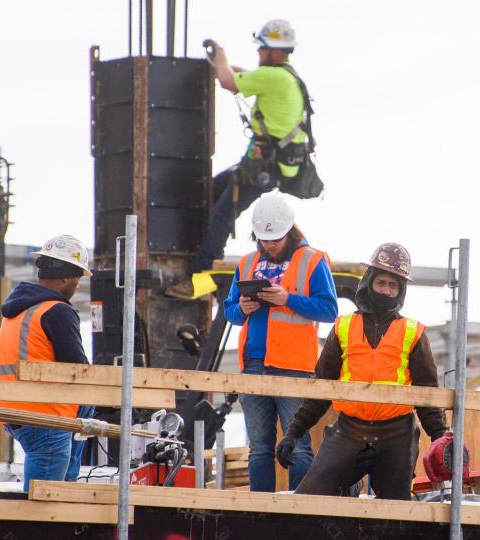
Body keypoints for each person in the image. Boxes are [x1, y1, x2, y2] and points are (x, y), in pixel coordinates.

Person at [276, 243, 449, 500]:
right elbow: (321, 387)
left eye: (394, 286)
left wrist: (440, 440)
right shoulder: (343, 326)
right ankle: (349, 486)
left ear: (401, 291)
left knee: (397, 512)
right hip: (349, 430)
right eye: (382, 283)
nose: (387, 291)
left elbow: (428, 396)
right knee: (310, 500)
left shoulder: (414, 333)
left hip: (397, 433)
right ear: (369, 282)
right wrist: (293, 432)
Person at [166, 19, 313, 300]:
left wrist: (219, 54)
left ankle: (202, 275)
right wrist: (221, 65)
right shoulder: (282, 77)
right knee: (211, 192)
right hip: (263, 165)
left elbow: (228, 81)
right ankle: (208, 258)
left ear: (274, 51)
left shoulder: (274, 77)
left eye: (262, 49)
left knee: (222, 213)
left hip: (263, 167)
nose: (258, 54)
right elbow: (238, 78)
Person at [224, 194, 338, 491]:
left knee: (299, 448)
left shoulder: (313, 260)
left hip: (294, 369)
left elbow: (329, 310)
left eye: (275, 238)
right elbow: (230, 311)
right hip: (253, 366)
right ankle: (259, 515)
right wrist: (242, 310)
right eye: (264, 239)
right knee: (259, 448)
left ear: (290, 230)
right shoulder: (247, 262)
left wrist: (288, 299)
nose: (270, 244)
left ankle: (300, 513)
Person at [0, 235, 95, 492]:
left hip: (13, 410)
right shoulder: (56, 310)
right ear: (65, 278)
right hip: (44, 415)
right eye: (77, 279)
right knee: (44, 505)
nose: (77, 285)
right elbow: (77, 368)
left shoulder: (20, 308)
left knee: (86, 408)